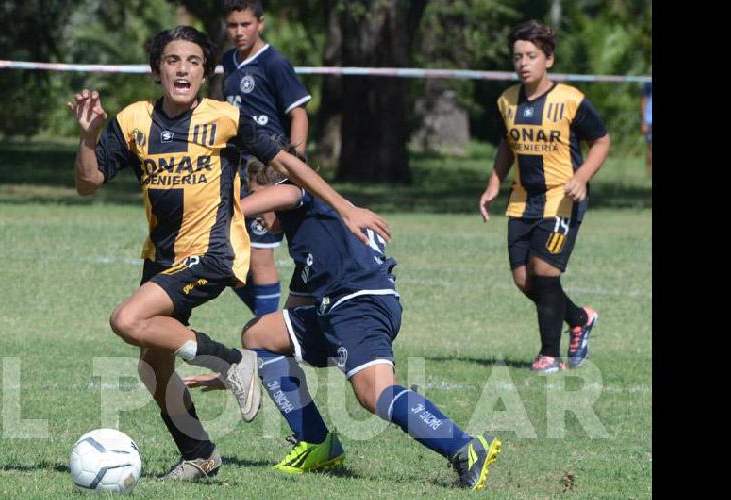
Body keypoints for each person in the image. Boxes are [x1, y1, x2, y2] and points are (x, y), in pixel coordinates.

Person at [66, 25, 391, 480]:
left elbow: (289, 163)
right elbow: (88, 183)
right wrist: (88, 136)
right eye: (173, 60)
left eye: (194, 62)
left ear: (204, 73)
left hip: (214, 251)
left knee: (126, 320)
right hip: (161, 257)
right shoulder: (132, 121)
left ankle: (233, 361)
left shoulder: (226, 117)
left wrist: (345, 207)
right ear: (156, 70)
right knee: (153, 369)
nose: (183, 69)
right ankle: (200, 452)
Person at [185, 144, 502, 490]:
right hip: (341, 308)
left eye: (257, 195)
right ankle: (315, 442)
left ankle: (465, 448)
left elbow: (281, 192)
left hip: (358, 305)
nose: (259, 217)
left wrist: (217, 216)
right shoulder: (312, 233)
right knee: (260, 333)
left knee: (374, 394)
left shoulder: (299, 193)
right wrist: (238, 372)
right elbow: (288, 322)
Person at [478, 20, 611, 374]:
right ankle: (580, 319)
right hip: (522, 199)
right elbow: (508, 144)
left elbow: (601, 140)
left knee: (544, 271)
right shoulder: (506, 101)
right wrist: (494, 183)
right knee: (525, 280)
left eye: (531, 56)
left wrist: (582, 177)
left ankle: (549, 356)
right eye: (518, 56)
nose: (523, 63)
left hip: (561, 197)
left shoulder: (570, 99)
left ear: (548, 59)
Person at [221, 0, 313, 317]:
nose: (238, 32)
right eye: (232, 25)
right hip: (237, 169)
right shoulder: (228, 62)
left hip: (268, 170)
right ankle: (273, 324)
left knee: (260, 255)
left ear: (260, 23)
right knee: (225, 255)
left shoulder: (274, 63)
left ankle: (266, 343)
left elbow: (298, 114)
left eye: (245, 24)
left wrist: (293, 165)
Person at [641, 81, 652, 177]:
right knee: (650, 147)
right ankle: (649, 172)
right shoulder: (649, 84)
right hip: (650, 121)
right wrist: (644, 121)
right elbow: (644, 101)